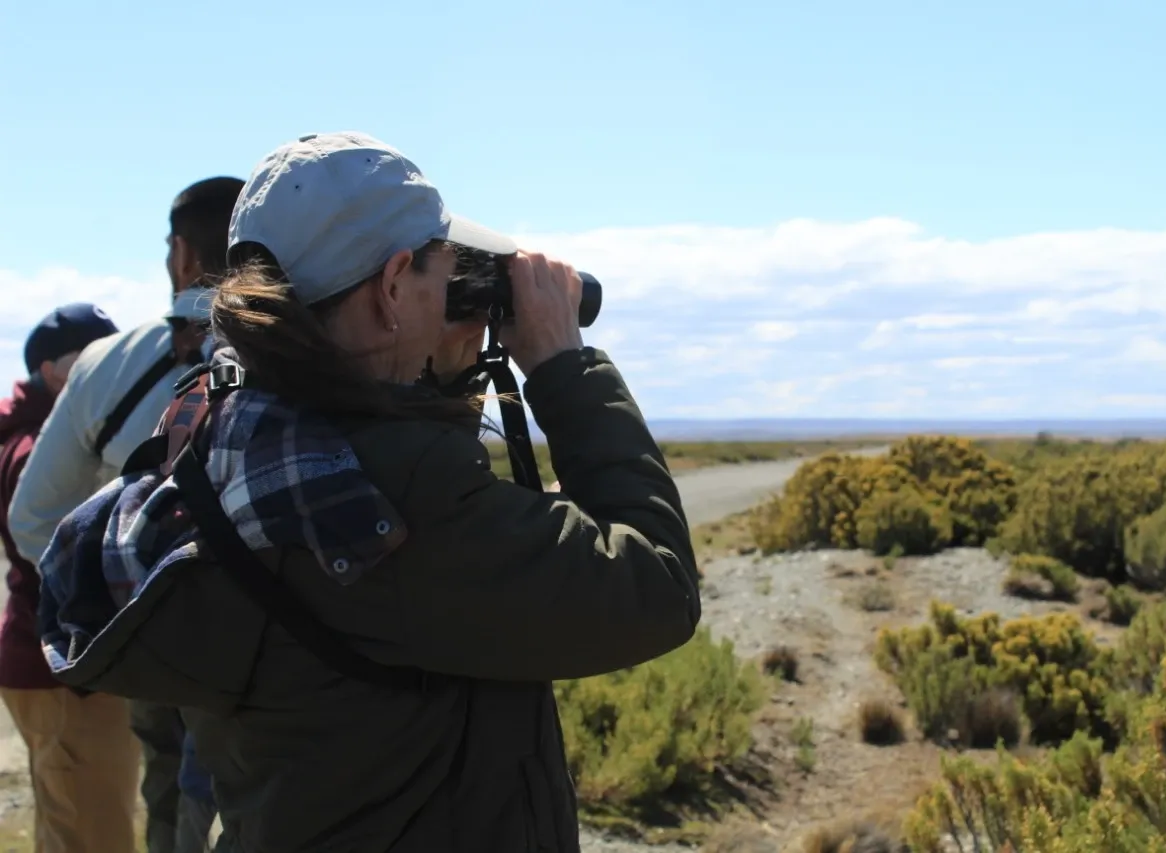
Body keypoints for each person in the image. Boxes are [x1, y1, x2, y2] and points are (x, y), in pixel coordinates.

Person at [33, 131, 700, 852]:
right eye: (441, 272)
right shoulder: (398, 494)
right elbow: (656, 585)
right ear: (391, 287)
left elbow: (404, 558)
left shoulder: (223, 429)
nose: (453, 294)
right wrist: (565, 366)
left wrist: (439, 376)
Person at [8, 176, 245, 853]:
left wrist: (114, 613)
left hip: (151, 637)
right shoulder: (315, 356)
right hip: (282, 644)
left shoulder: (109, 365)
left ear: (180, 255)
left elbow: (34, 520)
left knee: (167, 791)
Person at [0, 303, 135, 852]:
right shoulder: (38, 450)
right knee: (92, 835)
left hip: (49, 664)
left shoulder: (29, 436)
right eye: (94, 360)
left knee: (70, 827)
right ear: (56, 371)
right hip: (65, 670)